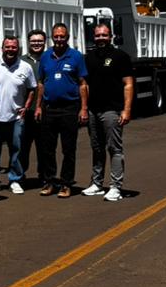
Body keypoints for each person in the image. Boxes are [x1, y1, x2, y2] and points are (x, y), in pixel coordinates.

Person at [82, 22, 134, 203]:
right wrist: (85, 108)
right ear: (93, 37)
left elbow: (128, 84)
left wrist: (126, 110)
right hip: (93, 111)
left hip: (112, 110)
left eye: (104, 35)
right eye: (98, 35)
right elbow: (85, 85)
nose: (101, 38)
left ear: (110, 36)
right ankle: (97, 184)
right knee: (97, 148)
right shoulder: (89, 57)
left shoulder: (120, 56)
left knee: (114, 149)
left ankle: (115, 187)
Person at [35, 23, 88, 199]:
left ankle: (66, 184)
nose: (59, 39)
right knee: (47, 149)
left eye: (62, 36)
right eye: (56, 36)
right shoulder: (45, 57)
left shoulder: (76, 56)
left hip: (69, 109)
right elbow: (41, 83)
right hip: (49, 109)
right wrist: (38, 106)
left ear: (67, 37)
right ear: (52, 37)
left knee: (68, 149)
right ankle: (50, 181)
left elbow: (82, 84)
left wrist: (84, 108)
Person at [0, 35, 37, 195]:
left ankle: (15, 179)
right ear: (2, 48)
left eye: (14, 47)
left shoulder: (25, 67)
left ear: (18, 49)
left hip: (16, 117)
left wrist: (26, 107)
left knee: (17, 149)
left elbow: (32, 88)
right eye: (7, 46)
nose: (10, 50)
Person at [20, 29, 47, 184]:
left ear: (44, 42)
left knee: (44, 147)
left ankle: (44, 176)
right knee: (22, 146)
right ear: (28, 42)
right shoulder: (21, 61)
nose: (36, 43)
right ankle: (20, 176)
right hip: (26, 112)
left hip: (45, 111)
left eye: (40, 41)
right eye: (33, 41)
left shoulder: (50, 59)